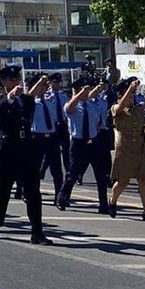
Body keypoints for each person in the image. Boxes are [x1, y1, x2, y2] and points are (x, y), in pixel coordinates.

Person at [0, 65, 52, 245]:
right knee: (3, 189)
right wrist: (9, 98)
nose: (15, 83)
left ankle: (37, 231)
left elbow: (28, 114)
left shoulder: (26, 100)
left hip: (26, 147)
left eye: (17, 79)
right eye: (11, 80)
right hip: (7, 148)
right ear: (3, 82)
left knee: (33, 192)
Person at [56, 77, 109, 214]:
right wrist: (80, 94)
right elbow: (70, 107)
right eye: (85, 90)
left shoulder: (93, 106)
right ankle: (62, 198)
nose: (88, 92)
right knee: (73, 174)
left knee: (100, 175)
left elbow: (99, 123)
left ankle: (103, 204)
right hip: (78, 144)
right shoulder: (71, 106)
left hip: (93, 143)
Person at [108, 78, 145, 221]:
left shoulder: (138, 108)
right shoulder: (116, 107)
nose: (131, 97)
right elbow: (121, 107)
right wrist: (129, 90)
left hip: (139, 146)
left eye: (133, 94)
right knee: (123, 180)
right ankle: (113, 201)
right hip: (125, 147)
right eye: (128, 94)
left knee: (143, 179)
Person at [27, 73, 63, 205]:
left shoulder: (50, 100)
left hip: (52, 137)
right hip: (37, 137)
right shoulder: (31, 102)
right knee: (35, 169)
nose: (44, 88)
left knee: (56, 169)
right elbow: (28, 96)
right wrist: (38, 83)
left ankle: (59, 196)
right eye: (42, 86)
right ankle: (31, 193)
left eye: (45, 86)